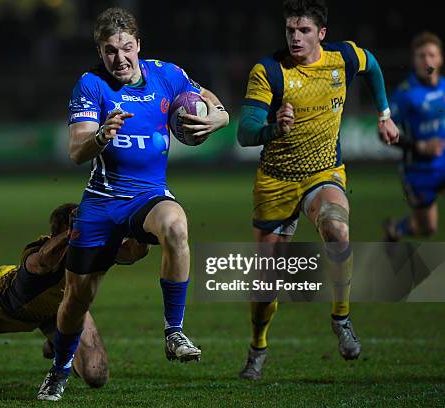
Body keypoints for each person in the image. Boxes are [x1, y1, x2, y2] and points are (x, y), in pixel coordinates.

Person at [37, 7, 230, 401]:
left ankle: (173, 332)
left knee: (176, 224)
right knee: (77, 298)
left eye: (127, 48)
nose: (120, 58)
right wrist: (101, 137)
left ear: (138, 45)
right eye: (110, 51)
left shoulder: (167, 75)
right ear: (100, 51)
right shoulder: (91, 85)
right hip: (103, 203)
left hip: (148, 196)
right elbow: (76, 151)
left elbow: (205, 96)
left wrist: (220, 118)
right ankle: (59, 369)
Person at [236, 0, 399, 380]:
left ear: (321, 34)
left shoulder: (342, 57)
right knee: (265, 287)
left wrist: (384, 114)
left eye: (304, 30)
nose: (295, 37)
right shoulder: (269, 72)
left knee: (337, 228)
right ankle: (258, 347)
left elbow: (372, 64)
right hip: (275, 181)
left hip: (322, 174)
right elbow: (246, 133)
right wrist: (274, 127)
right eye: (290, 30)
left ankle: (341, 318)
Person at [0, 203, 149, 389]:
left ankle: (57, 343)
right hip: (7, 305)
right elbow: (43, 261)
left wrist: (137, 225)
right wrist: (70, 236)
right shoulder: (39, 250)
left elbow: (135, 252)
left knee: (95, 375)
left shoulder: (96, 245)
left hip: (62, 308)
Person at [383, 32, 445, 241]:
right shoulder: (405, 94)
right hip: (419, 170)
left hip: (443, 161)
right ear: (414, 60)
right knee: (427, 228)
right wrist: (419, 146)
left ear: (440, 58)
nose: (427, 60)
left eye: (431, 54)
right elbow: (383, 131)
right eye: (421, 55)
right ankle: (396, 230)